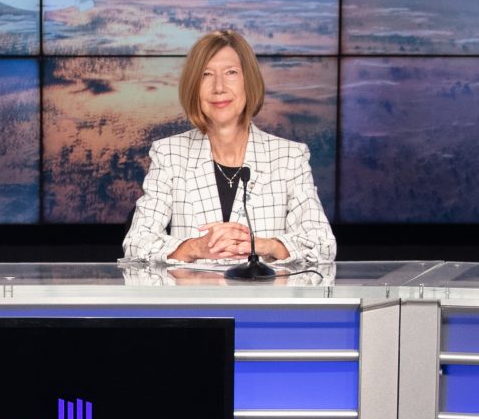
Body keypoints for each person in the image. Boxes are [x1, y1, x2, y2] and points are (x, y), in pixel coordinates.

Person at [120, 30, 335, 264]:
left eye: (231, 73)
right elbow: (136, 242)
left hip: (265, 298)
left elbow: (322, 244)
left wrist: (262, 246)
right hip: (193, 298)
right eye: (206, 74)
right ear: (194, 87)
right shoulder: (169, 154)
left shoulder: (289, 157)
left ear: (248, 81)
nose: (219, 87)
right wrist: (197, 247)